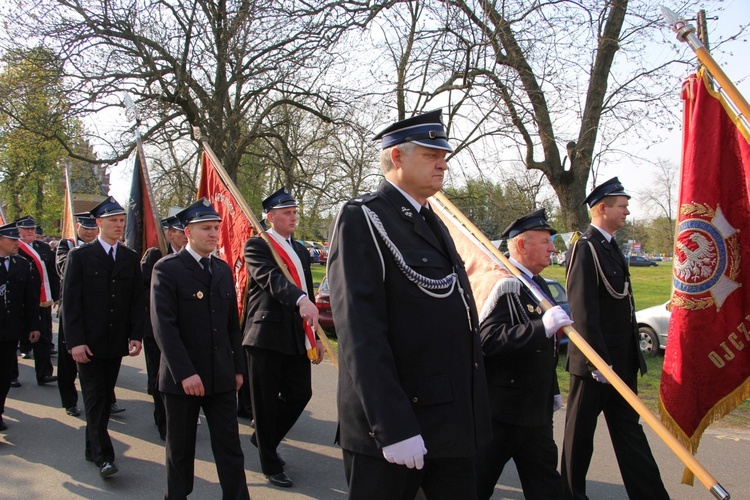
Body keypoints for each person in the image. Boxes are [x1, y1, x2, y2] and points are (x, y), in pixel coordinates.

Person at [327, 110, 491, 498]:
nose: (442, 164)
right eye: (431, 154)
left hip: (450, 421)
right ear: (396, 157)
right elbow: (359, 332)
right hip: (398, 424)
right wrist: (393, 425)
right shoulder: (364, 218)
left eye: (444, 156)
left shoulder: (433, 220)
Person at [561, 177, 668, 499]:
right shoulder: (585, 248)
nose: (628, 212)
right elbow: (582, 310)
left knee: (629, 432)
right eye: (622, 206)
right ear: (601, 208)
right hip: (595, 364)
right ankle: (569, 494)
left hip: (620, 361)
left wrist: (626, 358)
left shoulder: (610, 247)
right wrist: (597, 360)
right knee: (579, 437)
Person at [151, 198, 249, 499]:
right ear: (187, 231)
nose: (213, 233)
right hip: (184, 380)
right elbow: (164, 328)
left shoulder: (220, 269)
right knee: (180, 451)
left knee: (230, 448)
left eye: (216, 228)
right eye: (206, 228)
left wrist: (237, 369)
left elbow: (233, 325)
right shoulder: (167, 269)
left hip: (220, 376)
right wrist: (185, 373)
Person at [475, 209, 572, 499]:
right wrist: (539, 328)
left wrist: (552, 389)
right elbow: (488, 341)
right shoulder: (504, 284)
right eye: (545, 241)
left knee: (547, 488)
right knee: (474, 486)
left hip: (536, 412)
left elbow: (546, 351)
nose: (553, 248)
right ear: (521, 245)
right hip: (501, 413)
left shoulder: (539, 285)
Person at [243, 186, 324, 488]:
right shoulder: (258, 245)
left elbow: (309, 293)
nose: (293, 217)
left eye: (294, 212)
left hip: (295, 336)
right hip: (265, 334)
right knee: (263, 402)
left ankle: (264, 438)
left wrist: (313, 334)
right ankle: (270, 462)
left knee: (300, 393)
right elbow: (270, 279)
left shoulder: (300, 249)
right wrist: (299, 299)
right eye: (287, 213)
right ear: (271, 216)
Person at [62, 196, 144, 479]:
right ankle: (104, 458)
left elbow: (136, 301)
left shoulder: (130, 258)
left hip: (115, 342)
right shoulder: (81, 257)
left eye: (121, 221)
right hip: (88, 342)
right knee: (95, 398)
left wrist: (136, 334)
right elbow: (70, 303)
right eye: (113, 221)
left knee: (103, 398)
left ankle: (91, 446)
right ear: (99, 224)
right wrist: (74, 342)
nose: (119, 225)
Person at [141, 215, 187, 440]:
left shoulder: (190, 257)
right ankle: (163, 424)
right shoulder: (155, 254)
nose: (186, 236)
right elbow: (144, 291)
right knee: (159, 377)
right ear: (170, 234)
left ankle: (179, 419)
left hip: (182, 329)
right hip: (156, 328)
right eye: (181, 232)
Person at [55, 212, 99, 417]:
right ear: (78, 227)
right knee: (68, 361)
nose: (90, 232)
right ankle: (69, 401)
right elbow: (62, 267)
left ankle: (108, 399)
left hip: (93, 310)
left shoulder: (102, 247)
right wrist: (82, 252)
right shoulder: (67, 245)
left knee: (97, 361)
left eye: (93, 228)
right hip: (71, 309)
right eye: (86, 228)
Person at [0, 222, 41, 431]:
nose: (17, 243)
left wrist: (34, 325)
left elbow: (29, 299)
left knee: (5, 374)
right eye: (12, 240)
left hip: (10, 331)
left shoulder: (22, 264)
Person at [15, 215, 59, 386]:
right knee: (15, 336)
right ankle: (11, 375)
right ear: (18, 231)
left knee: (45, 336)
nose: (30, 232)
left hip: (42, 299)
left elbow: (52, 272)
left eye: (32, 229)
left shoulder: (43, 248)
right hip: (20, 300)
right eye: (26, 229)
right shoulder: (14, 248)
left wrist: (55, 295)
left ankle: (44, 373)